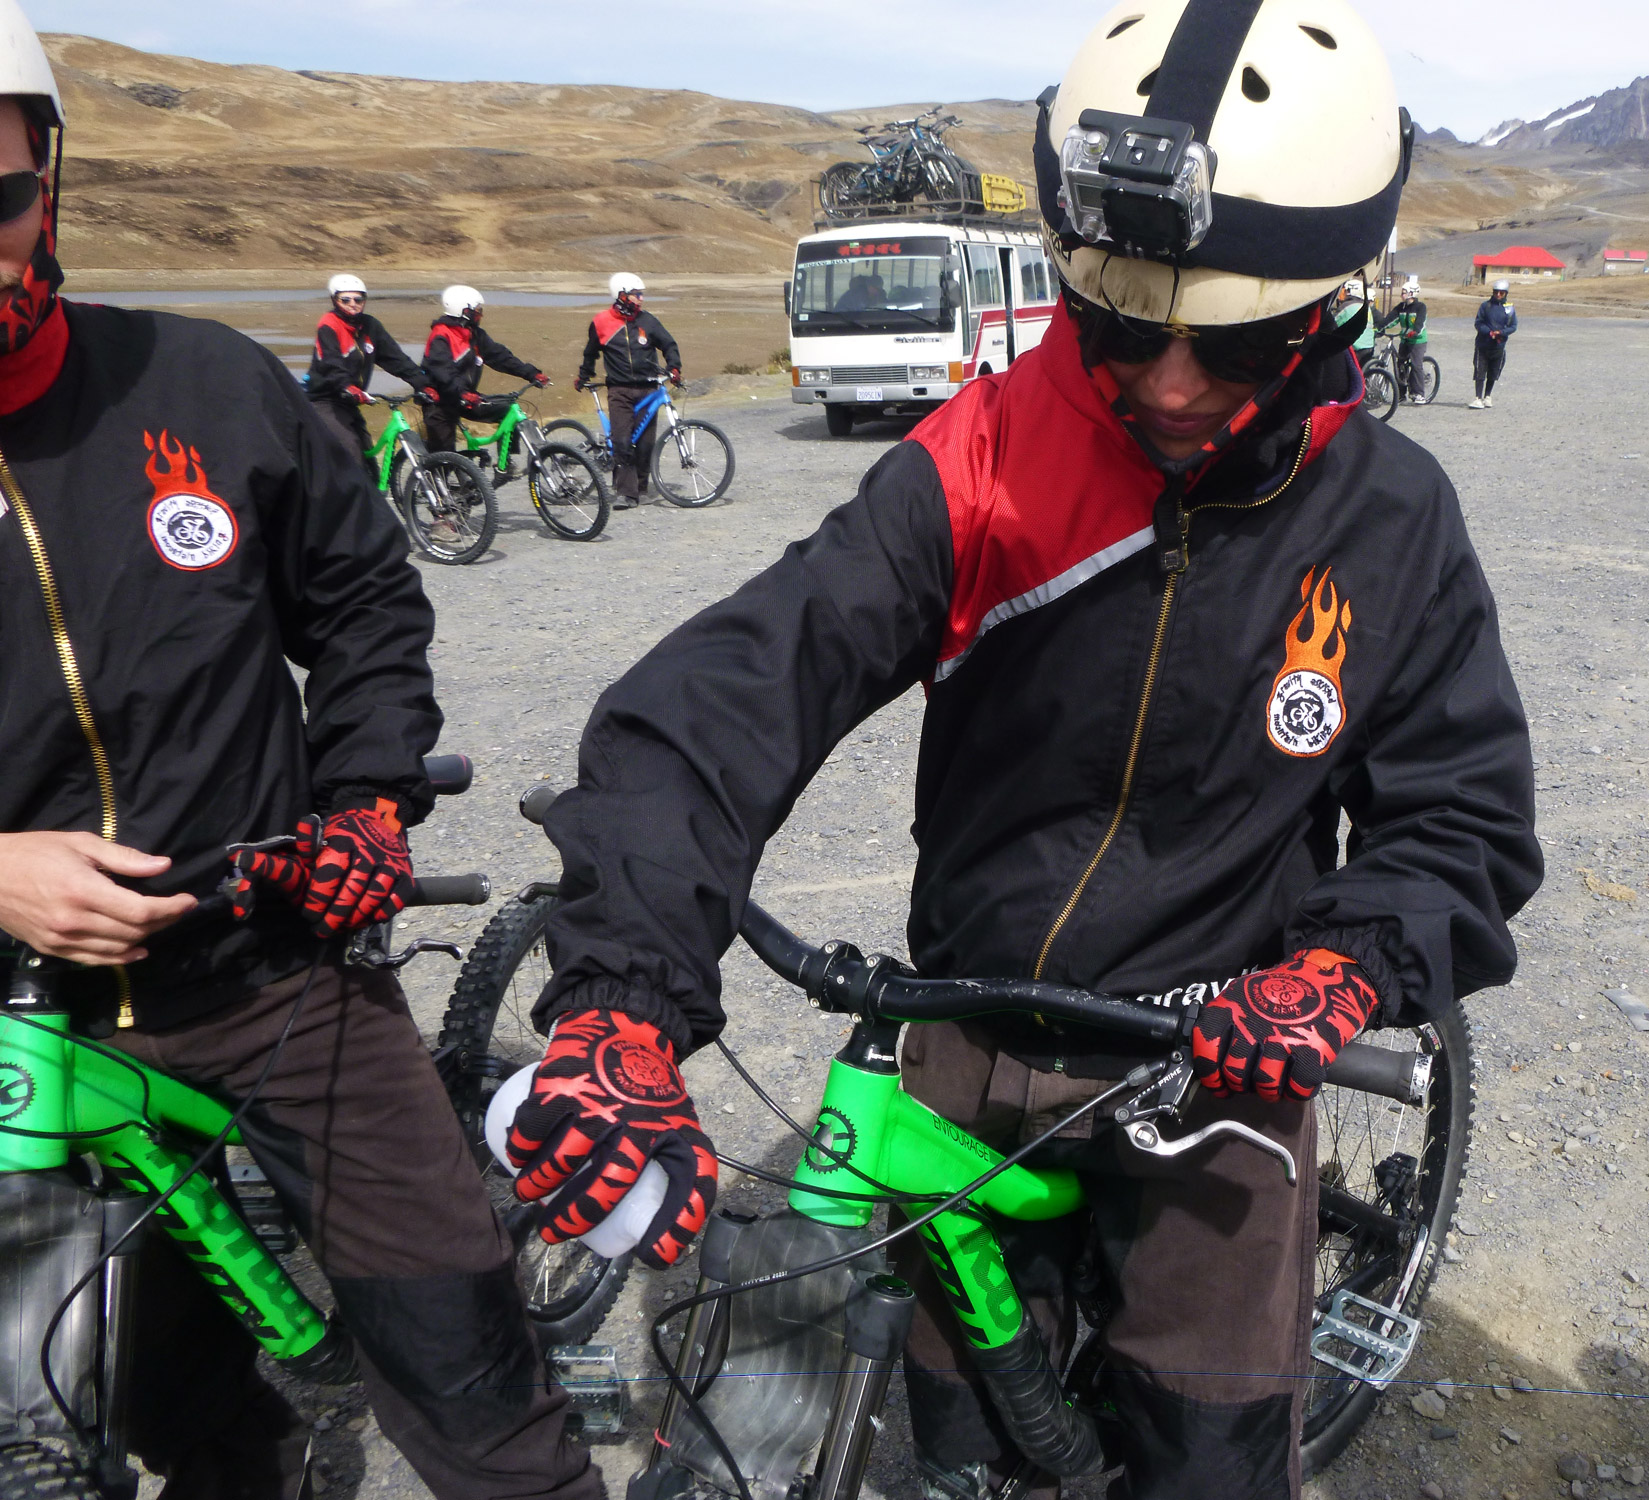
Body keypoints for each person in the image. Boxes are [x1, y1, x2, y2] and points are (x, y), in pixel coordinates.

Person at [513, 2, 1540, 1497]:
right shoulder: (983, 460)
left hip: (1219, 1063)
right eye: (1124, 323)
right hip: (972, 1040)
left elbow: (1457, 815)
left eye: (1238, 338)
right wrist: (618, 1003)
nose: (1174, 385)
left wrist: (1345, 970)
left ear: (1331, 304)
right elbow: (734, 692)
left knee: (1203, 1456)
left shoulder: (1392, 520)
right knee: (965, 1445)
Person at [0, 13, 596, 1496]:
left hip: (271, 978)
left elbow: (367, 600)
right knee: (150, 1421)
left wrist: (366, 801)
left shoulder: (202, 388)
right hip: (21, 1035)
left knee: (484, 1401)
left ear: (48, 191)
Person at [576, 271, 682, 508]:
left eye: (641, 294)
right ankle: (626, 493)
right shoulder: (601, 322)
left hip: (648, 388)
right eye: (637, 294)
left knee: (645, 443)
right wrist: (584, 375)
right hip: (619, 391)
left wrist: (674, 367)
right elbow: (590, 353)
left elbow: (669, 344)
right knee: (622, 441)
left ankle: (640, 487)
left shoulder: (648, 321)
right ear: (621, 295)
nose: (641, 299)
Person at [302, 273, 427, 465]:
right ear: (335, 300)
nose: (353, 303)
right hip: (325, 399)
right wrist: (348, 386)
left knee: (367, 453)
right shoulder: (329, 325)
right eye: (346, 299)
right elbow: (331, 363)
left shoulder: (370, 326)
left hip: (350, 400)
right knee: (350, 449)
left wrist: (422, 382)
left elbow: (396, 359)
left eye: (358, 299)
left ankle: (371, 493)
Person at [420, 283, 548, 454]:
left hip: (466, 397)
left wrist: (531, 373)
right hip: (440, 403)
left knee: (508, 409)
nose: (480, 314)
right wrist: (462, 392)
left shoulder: (474, 334)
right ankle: (437, 477)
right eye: (477, 310)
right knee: (444, 457)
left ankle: (505, 464)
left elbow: (501, 357)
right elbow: (443, 372)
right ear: (464, 311)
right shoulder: (441, 336)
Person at [1470, 278, 1515, 408]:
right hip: (1483, 345)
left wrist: (1501, 333)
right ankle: (1477, 397)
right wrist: (1489, 332)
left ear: (1506, 293)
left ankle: (1487, 396)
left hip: (1498, 346)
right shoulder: (1485, 306)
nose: (1498, 295)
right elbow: (1479, 322)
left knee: (1493, 372)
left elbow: (1513, 325)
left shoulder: (1509, 308)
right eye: (1496, 292)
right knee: (1479, 371)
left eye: (1501, 293)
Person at [1389, 275, 1428, 396]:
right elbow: (1390, 320)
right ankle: (1401, 395)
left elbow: (1420, 323)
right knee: (1400, 365)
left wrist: (1415, 331)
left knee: (1416, 366)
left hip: (1417, 341)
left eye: (1404, 292)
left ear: (1411, 293)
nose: (1401, 295)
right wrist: (1378, 327)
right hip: (1405, 340)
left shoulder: (1421, 307)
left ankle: (1419, 394)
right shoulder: (1401, 307)